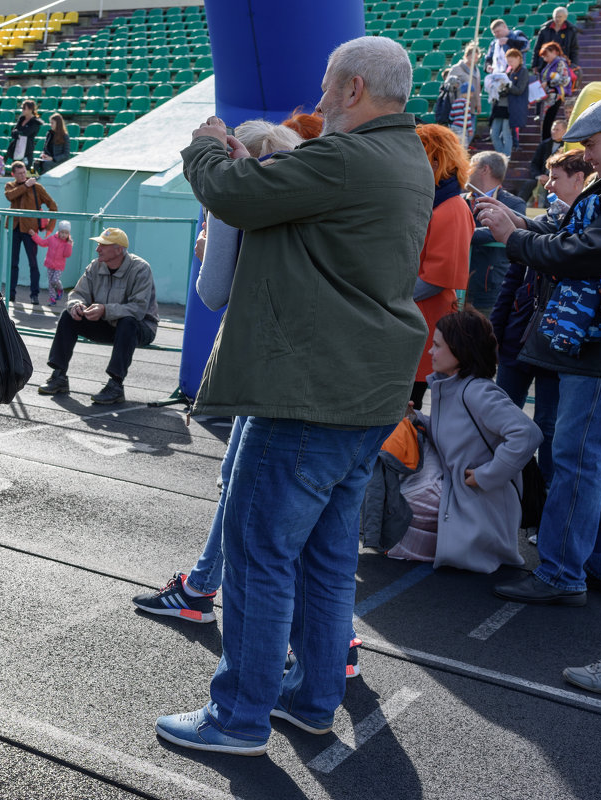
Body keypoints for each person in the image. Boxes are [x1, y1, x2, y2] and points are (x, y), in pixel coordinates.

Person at [159, 36, 433, 756]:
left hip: (309, 389)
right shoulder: (402, 156)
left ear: (350, 88)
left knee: (258, 554)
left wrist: (207, 147)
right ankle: (312, 698)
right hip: (364, 391)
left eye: (324, 88)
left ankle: (239, 716)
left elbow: (231, 196)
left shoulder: (344, 157)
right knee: (325, 558)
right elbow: (310, 220)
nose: (315, 102)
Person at [476, 96, 601, 606]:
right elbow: (562, 230)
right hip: (597, 345)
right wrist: (514, 224)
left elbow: (581, 252)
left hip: (599, 345)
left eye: (594, 142)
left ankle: (562, 573)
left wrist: (512, 238)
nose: (587, 154)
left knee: (578, 459)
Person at [388, 311, 542, 570]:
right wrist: (416, 418)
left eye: (437, 346)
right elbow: (449, 433)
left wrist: (487, 475)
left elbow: (528, 434)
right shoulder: (450, 385)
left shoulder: (478, 391)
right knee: (393, 489)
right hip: (461, 490)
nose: (430, 352)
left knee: (401, 496)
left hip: (480, 498)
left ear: (460, 349)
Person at [490, 149, 589, 488]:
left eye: (555, 178)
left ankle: (539, 502)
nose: (547, 185)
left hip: (554, 345)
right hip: (518, 338)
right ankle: (491, 491)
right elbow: (512, 283)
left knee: (548, 426)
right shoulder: (546, 219)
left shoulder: (589, 227)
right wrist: (496, 331)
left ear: (579, 179)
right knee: (497, 416)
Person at [37, 227, 158, 404]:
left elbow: (138, 309)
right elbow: (78, 293)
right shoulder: (95, 266)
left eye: (103, 245)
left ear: (119, 249)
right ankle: (58, 376)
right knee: (68, 316)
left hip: (141, 327)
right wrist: (76, 305)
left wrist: (105, 310)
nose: (97, 249)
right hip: (108, 324)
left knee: (128, 322)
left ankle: (116, 385)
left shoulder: (140, 269)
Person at [410, 124, 474, 409]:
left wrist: (389, 297)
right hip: (415, 321)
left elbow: (437, 277)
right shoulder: (432, 201)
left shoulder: (452, 207)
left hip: (426, 325)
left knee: (408, 412)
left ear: (437, 160)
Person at [466, 151, 527, 314]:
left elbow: (502, 231)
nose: (466, 169)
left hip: (489, 290)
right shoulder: (460, 200)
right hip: (455, 287)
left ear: (484, 169)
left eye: (471, 164)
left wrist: (461, 233)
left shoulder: (513, 203)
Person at [4, 160, 57, 304]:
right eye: (19, 173)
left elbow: (53, 206)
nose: (22, 175)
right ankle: (11, 294)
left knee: (33, 264)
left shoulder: (37, 187)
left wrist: (49, 228)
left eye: (24, 172)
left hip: (30, 231)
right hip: (14, 228)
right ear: (13, 174)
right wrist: (26, 185)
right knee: (13, 263)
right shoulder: (10, 185)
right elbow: (10, 196)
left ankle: (34, 294)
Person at [489, 49, 528, 158]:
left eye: (512, 61)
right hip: (500, 106)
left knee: (507, 134)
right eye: (508, 61)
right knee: (494, 133)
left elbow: (520, 90)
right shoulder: (508, 71)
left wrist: (509, 85)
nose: (510, 64)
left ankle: (506, 157)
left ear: (518, 59)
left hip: (511, 108)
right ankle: (502, 156)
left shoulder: (523, 71)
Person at [445, 45, 482, 147]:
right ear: (466, 55)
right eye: (472, 57)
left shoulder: (476, 70)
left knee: (471, 131)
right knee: (459, 135)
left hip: (472, 105)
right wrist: (455, 84)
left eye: (477, 57)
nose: (475, 60)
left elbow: (478, 88)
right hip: (459, 107)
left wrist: (478, 103)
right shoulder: (457, 68)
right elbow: (447, 85)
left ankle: (463, 153)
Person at [537, 42, 573, 142]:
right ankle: (545, 144)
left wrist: (548, 83)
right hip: (547, 97)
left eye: (547, 56)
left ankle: (548, 144)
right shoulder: (550, 64)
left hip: (555, 96)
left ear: (554, 52)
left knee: (549, 122)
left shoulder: (560, 63)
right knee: (546, 123)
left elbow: (565, 79)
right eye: (543, 57)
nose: (545, 59)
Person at [32, 219, 73, 305]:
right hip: (50, 264)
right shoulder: (52, 239)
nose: (64, 235)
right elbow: (42, 243)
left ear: (68, 234)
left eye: (66, 233)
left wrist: (69, 245)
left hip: (59, 266)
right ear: (59, 231)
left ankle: (60, 288)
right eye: (62, 232)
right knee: (50, 283)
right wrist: (34, 235)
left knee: (55, 280)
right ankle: (52, 299)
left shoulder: (67, 243)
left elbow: (67, 255)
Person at [529, 118, 567, 206]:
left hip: (558, 179)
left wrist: (551, 178)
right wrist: (538, 176)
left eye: (557, 130)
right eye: (553, 129)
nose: (554, 132)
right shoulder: (544, 144)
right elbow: (534, 163)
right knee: (528, 185)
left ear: (565, 131)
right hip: (541, 178)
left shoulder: (567, 146)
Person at [532, 6, 579, 71]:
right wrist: (535, 65)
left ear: (565, 17)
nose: (557, 19)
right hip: (545, 64)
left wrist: (574, 64)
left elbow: (574, 49)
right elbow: (537, 48)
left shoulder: (571, 31)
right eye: (556, 16)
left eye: (560, 17)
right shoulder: (544, 30)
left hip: (563, 65)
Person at [6, 99, 42, 169]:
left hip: (27, 150)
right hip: (17, 148)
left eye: (24, 108)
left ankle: (34, 178)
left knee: (28, 169)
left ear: (30, 109)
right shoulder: (21, 119)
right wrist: (18, 132)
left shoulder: (35, 121)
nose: (22, 110)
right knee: (16, 168)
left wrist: (18, 132)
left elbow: (26, 133)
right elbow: (14, 132)